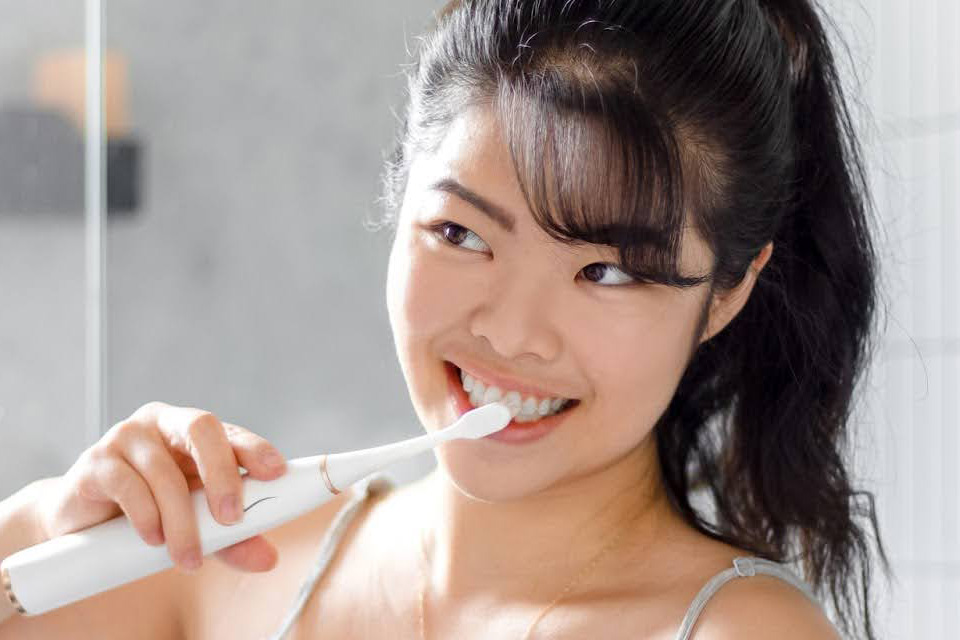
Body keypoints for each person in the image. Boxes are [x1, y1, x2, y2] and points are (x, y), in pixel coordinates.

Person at [0, 0, 892, 638]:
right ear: (399, 199)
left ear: (726, 294)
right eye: (461, 233)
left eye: (608, 270)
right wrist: (44, 534)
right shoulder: (214, 564)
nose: (510, 333)